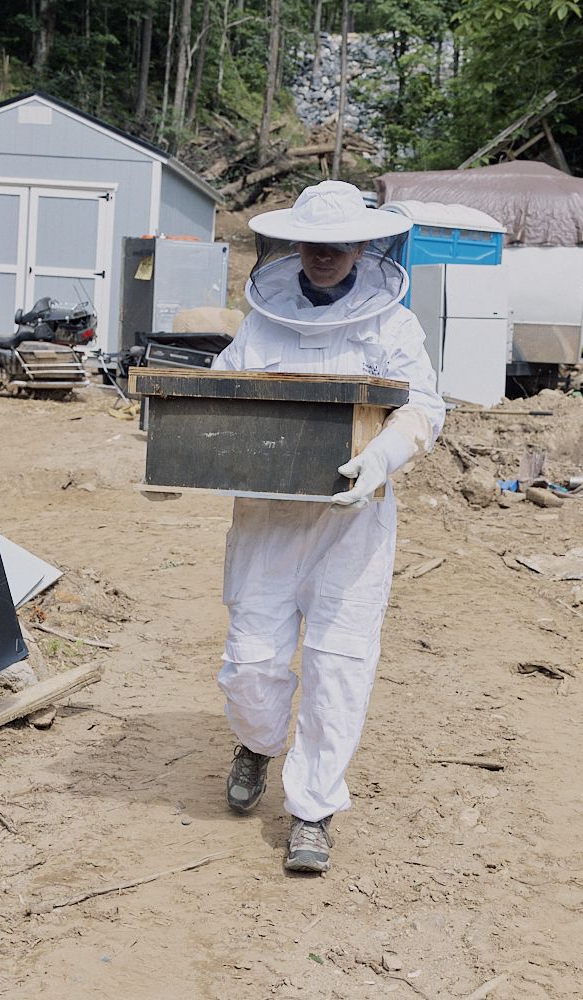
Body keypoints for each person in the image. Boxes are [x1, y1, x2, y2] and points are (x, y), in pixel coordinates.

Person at [210, 181, 445, 873]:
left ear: (363, 246)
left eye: (340, 244)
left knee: (338, 667)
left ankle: (312, 810)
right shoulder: (261, 324)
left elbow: (425, 408)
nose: (325, 256)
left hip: (352, 527)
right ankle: (256, 741)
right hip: (266, 524)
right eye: (314, 243)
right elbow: (217, 401)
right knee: (251, 664)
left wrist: (381, 459)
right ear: (294, 244)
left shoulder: (392, 326)